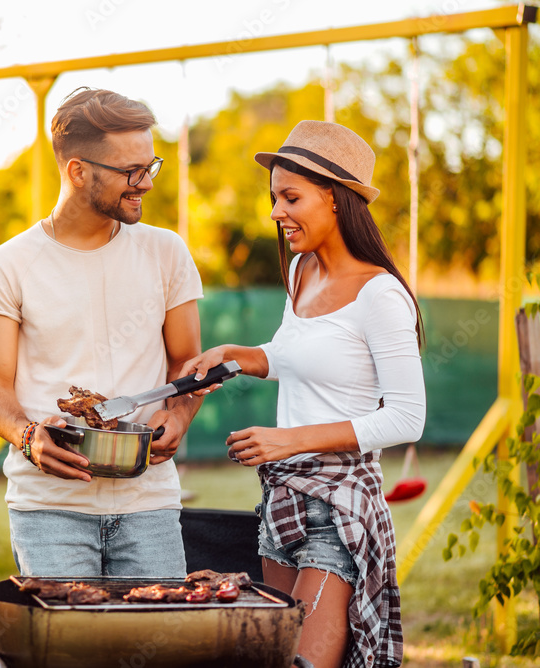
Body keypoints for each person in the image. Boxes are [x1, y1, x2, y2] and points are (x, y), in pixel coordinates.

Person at [180, 120, 425, 668]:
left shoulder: (380, 295)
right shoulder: (300, 271)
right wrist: (238, 355)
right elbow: (295, 354)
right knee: (276, 657)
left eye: (291, 197)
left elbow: (408, 418)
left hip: (339, 506)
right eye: (274, 198)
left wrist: (289, 440)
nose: (275, 212)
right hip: (283, 499)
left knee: (306, 665)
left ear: (337, 199)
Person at [0, 87, 204, 578]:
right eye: (130, 172)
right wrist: (28, 436)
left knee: (159, 642)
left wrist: (178, 417)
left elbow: (186, 366)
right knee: (69, 650)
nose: (146, 184)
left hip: (149, 503)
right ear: (77, 170)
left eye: (150, 166)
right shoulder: (5, 267)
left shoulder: (166, 252)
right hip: (47, 509)